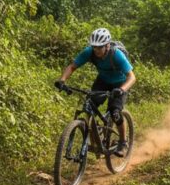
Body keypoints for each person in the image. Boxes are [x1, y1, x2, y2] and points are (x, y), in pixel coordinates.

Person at [55, 27, 136, 156]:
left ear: (107, 45)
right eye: (94, 47)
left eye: (100, 47)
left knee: (115, 112)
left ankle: (123, 142)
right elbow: (72, 66)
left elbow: (132, 77)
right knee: (89, 106)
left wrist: (121, 90)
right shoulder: (89, 52)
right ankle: (94, 141)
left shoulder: (117, 55)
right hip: (102, 81)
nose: (96, 50)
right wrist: (62, 80)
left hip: (120, 83)